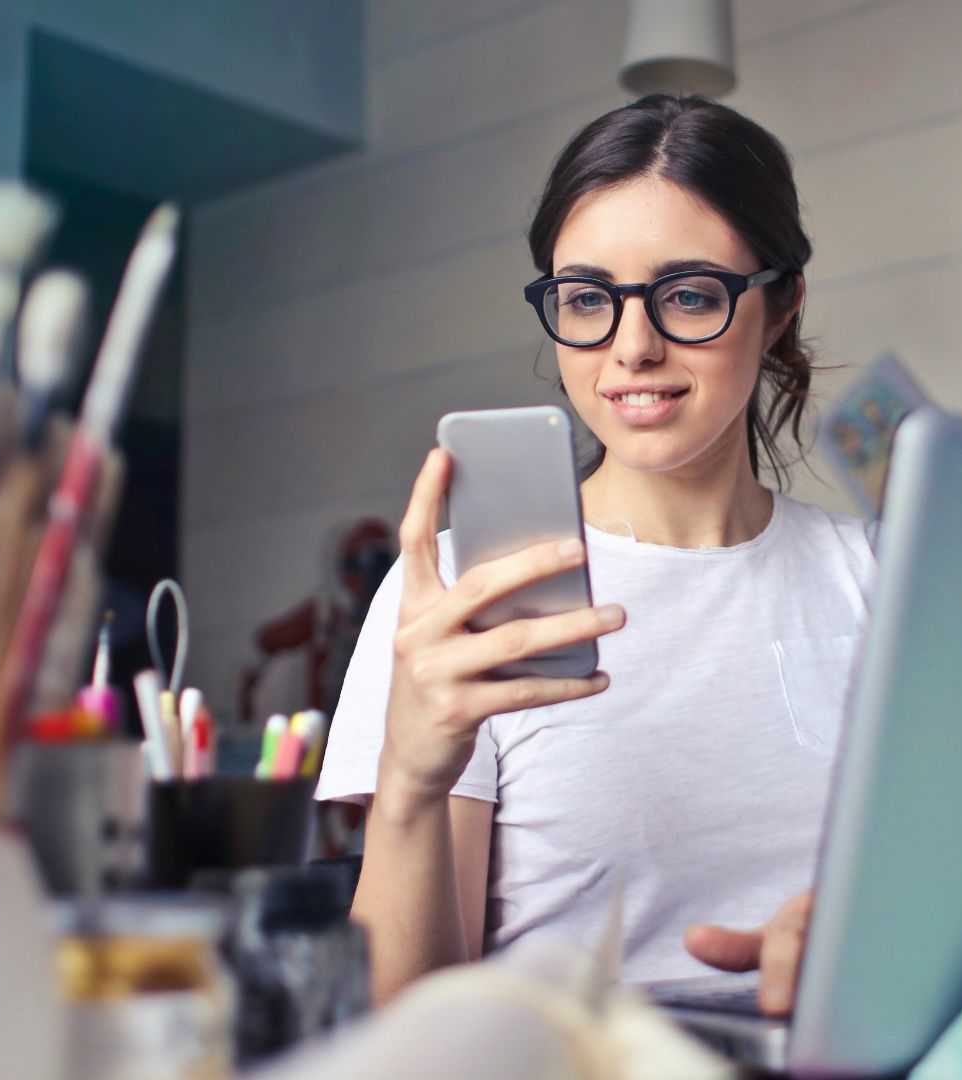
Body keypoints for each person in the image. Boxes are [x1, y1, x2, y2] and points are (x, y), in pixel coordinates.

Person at [313, 94, 877, 1013]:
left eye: (689, 294)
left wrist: (873, 940)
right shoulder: (465, 594)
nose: (633, 347)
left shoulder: (882, 580)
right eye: (587, 300)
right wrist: (412, 782)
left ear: (780, 308)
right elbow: (406, 1038)